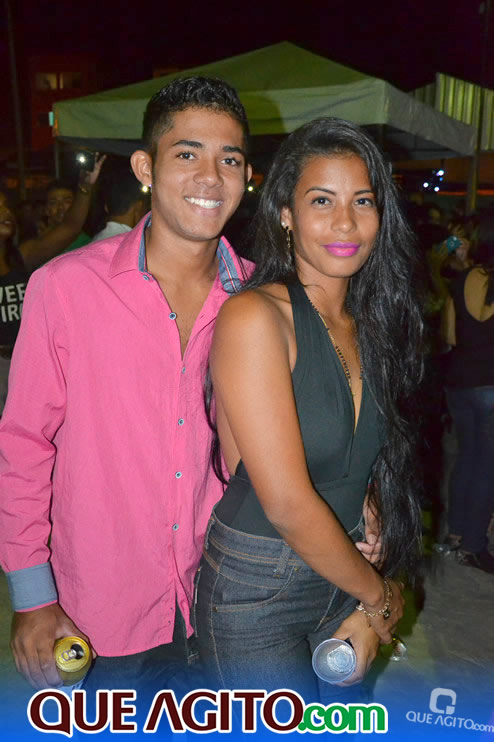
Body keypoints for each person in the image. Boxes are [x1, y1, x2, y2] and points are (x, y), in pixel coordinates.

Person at [0, 77, 252, 694]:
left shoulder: (259, 299)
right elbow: (24, 443)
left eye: (230, 159)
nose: (210, 177)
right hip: (102, 611)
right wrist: (32, 596)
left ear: (247, 176)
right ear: (145, 168)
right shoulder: (66, 288)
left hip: (225, 602)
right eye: (187, 153)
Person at [195, 117, 424, 702]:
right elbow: (285, 501)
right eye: (322, 200)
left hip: (345, 565)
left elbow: (357, 451)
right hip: (259, 584)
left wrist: (369, 505)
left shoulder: (372, 322)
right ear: (285, 214)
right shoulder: (256, 317)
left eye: (362, 201)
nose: (345, 222)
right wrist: (379, 598)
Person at [0, 163, 104, 414]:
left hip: (28, 361)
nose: (6, 212)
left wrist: (85, 186)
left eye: (5, 205)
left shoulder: (22, 256)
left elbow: (70, 228)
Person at [442, 211, 494, 573]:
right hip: (490, 384)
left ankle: (456, 533)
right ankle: (474, 546)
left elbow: (450, 337)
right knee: (487, 467)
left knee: (466, 458)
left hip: (459, 383)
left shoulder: (460, 280)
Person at [91, 168, 149, 242]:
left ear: (106, 208)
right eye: (145, 208)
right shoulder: (136, 244)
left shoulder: (95, 240)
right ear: (138, 206)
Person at [40, 180, 92, 252]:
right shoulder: (39, 246)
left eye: (67, 201)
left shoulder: (86, 244)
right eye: (53, 203)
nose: (60, 207)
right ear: (46, 210)